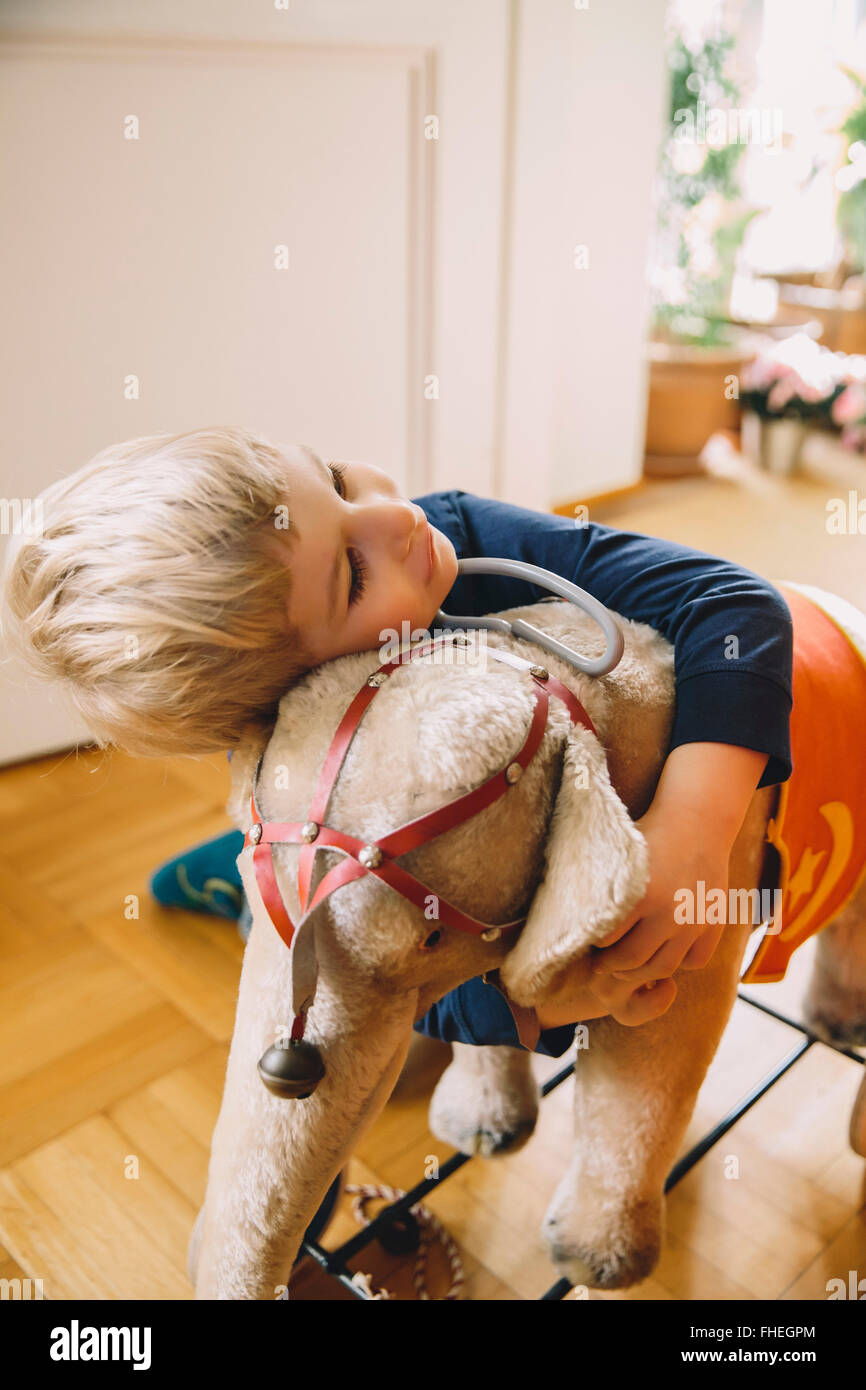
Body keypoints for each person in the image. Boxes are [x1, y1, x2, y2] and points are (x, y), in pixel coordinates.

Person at [1, 426, 792, 1058]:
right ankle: (242, 887)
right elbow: (402, 985)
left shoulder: (452, 529)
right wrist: (561, 999)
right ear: (307, 699)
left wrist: (696, 824)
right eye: (351, 572)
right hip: (371, 862)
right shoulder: (310, 771)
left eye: (336, 479)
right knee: (336, 948)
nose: (393, 516)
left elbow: (735, 605)